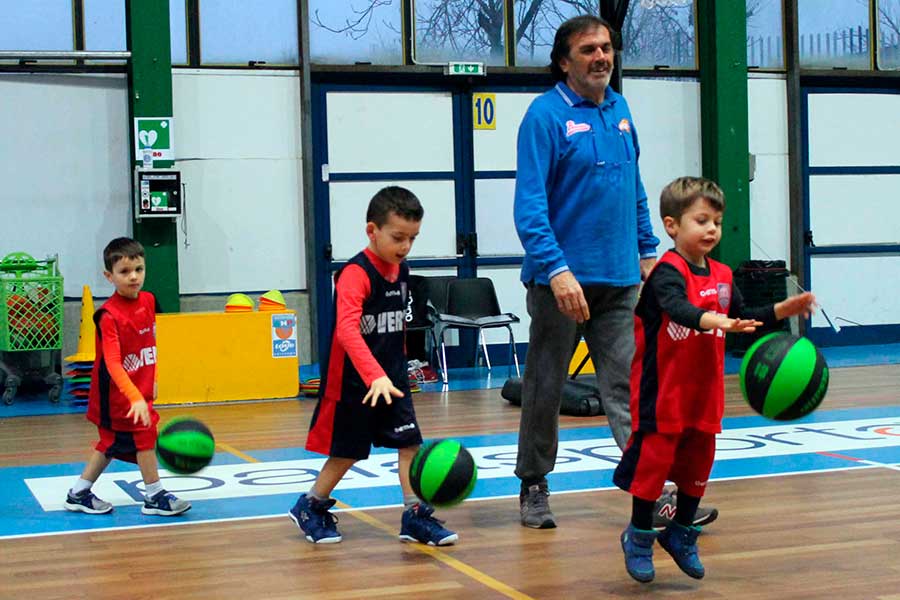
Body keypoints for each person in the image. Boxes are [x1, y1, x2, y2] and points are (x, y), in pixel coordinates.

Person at [512, 14, 715, 530]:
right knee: (546, 386)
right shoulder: (543, 117)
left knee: (631, 388)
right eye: (588, 50)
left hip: (622, 278)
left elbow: (635, 189)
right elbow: (529, 207)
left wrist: (649, 251)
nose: (601, 57)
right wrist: (556, 272)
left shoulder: (622, 110)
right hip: (561, 285)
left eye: (605, 48)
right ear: (564, 61)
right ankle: (534, 484)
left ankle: (653, 491)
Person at [614, 177, 817, 582]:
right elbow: (676, 308)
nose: (711, 229)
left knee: (698, 465)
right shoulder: (666, 273)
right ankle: (638, 536)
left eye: (717, 222)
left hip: (703, 392)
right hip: (662, 392)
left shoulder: (724, 275)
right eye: (701, 220)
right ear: (672, 226)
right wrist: (714, 320)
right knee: (653, 468)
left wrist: (782, 309)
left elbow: (747, 318)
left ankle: (682, 534)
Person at [288, 186, 457, 546]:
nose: (406, 246)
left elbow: (392, 331)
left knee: (410, 443)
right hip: (354, 381)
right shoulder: (355, 274)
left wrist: (397, 369)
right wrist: (373, 374)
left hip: (391, 379)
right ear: (372, 231)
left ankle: (414, 516)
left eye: (412, 238)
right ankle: (310, 505)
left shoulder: (403, 271)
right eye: (398, 237)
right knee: (346, 452)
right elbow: (347, 332)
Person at [64, 237, 190, 517]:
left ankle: (79, 492)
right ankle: (155, 495)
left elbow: (149, 346)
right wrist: (133, 396)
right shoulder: (108, 315)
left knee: (109, 445)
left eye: (138, 269)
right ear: (109, 276)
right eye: (124, 272)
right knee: (143, 439)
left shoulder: (148, 301)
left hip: (138, 393)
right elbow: (112, 362)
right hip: (116, 398)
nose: (133, 276)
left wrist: (151, 381)